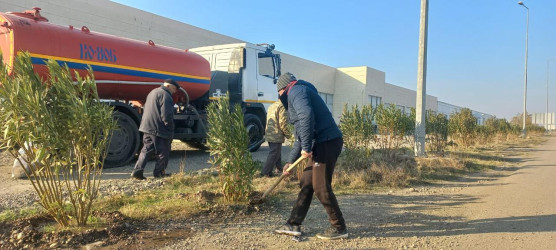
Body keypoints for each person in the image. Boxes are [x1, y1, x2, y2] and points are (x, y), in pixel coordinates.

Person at [273, 72, 348, 240]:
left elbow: (306, 116)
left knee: (320, 186)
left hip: (327, 142)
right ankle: (293, 223)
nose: (278, 97)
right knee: (306, 182)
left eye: (277, 93)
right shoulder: (299, 93)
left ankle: (339, 227)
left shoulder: (295, 91)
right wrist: (290, 162)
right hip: (320, 143)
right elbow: (301, 135)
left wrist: (306, 147)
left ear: (282, 89)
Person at [131, 79, 179, 180]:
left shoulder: (153, 92)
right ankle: (159, 173)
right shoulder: (166, 95)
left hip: (147, 126)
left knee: (146, 149)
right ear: (169, 86)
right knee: (163, 151)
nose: (174, 92)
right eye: (174, 89)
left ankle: (137, 171)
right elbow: (167, 115)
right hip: (158, 127)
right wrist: (170, 128)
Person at [260, 101, 291, 177]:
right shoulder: (282, 106)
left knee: (277, 152)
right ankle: (266, 172)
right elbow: (283, 123)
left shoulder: (273, 105)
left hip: (269, 132)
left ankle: (279, 168)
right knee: (274, 153)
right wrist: (289, 135)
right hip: (276, 133)